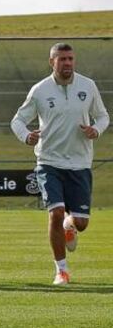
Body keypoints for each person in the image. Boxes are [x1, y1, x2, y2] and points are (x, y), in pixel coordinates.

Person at [11, 42, 108, 285]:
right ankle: (61, 270)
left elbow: (103, 115)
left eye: (70, 59)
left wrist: (96, 129)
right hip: (49, 161)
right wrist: (26, 136)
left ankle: (70, 224)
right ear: (52, 62)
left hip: (80, 163)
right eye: (62, 59)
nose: (67, 63)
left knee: (82, 224)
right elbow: (17, 120)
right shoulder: (40, 90)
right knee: (54, 212)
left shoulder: (88, 85)